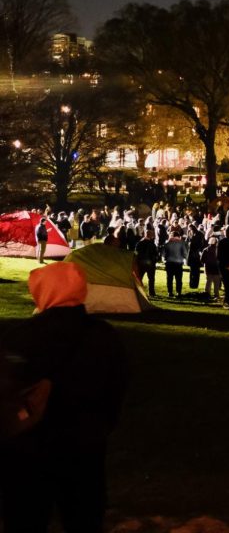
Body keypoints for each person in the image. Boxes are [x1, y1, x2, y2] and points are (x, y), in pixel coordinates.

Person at [1, 261, 128, 532]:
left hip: (29, 453)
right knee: (83, 521)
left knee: (25, 522)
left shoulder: (21, 337)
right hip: (85, 450)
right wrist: (100, 427)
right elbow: (116, 388)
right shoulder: (104, 336)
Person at [162, 226, 187, 299]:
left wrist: (165, 259)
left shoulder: (167, 244)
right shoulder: (182, 243)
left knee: (169, 278)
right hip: (178, 263)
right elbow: (185, 253)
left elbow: (163, 254)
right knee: (178, 279)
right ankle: (178, 292)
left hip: (169, 263)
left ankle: (170, 292)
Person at [135, 227, 159, 297]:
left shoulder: (140, 243)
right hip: (150, 264)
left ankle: (138, 291)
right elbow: (155, 254)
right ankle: (151, 293)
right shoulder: (152, 244)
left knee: (139, 278)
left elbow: (136, 253)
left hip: (141, 263)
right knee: (151, 279)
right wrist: (155, 259)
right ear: (150, 235)